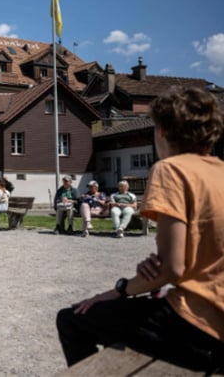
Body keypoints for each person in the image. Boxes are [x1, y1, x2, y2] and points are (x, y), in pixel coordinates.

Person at [56, 87, 224, 374]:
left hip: (198, 329)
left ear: (161, 131)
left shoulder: (171, 169)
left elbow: (173, 269)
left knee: (72, 319)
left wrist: (120, 290)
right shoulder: (219, 170)